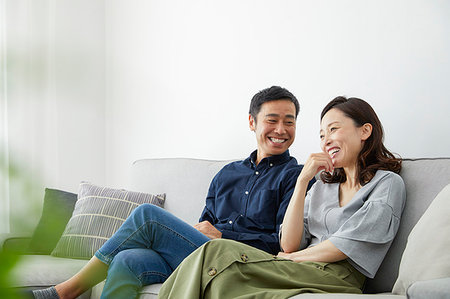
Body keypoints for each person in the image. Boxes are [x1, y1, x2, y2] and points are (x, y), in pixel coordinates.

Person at [31, 86, 314, 299]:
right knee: (127, 260)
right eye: (272, 120)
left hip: (242, 261)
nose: (281, 129)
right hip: (201, 254)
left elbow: (282, 244)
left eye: (289, 122)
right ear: (252, 122)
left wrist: (225, 235)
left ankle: (66, 291)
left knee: (147, 216)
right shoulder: (227, 174)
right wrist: (204, 232)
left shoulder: (295, 176)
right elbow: (205, 224)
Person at [158, 96, 406, 298]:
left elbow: (344, 246)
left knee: (216, 251)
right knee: (220, 280)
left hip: (336, 276)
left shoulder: (387, 184)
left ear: (364, 131)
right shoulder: (321, 186)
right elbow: (289, 243)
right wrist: (302, 182)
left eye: (333, 129)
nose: (326, 140)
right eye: (321, 135)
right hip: (297, 267)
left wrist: (291, 258)